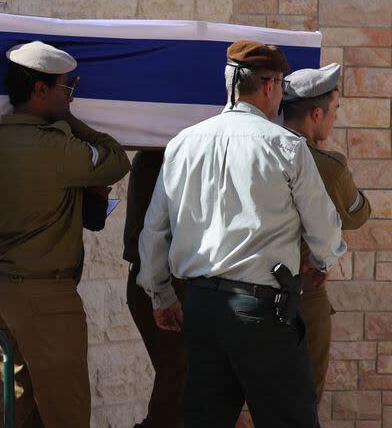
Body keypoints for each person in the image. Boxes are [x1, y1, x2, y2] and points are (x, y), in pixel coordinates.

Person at [138, 41, 347, 428]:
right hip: (261, 311)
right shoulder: (285, 146)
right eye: (281, 87)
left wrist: (160, 293)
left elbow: (155, 230)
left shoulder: (182, 144)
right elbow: (324, 229)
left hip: (201, 306)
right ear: (270, 87)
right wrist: (324, 260)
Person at [0, 40, 130, 428]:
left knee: (15, 411)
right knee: (66, 412)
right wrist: (70, 120)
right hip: (45, 299)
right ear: (40, 90)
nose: (70, 97)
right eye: (65, 89)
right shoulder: (57, 147)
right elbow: (115, 158)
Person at [281, 63, 371, 411]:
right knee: (303, 397)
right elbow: (359, 213)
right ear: (316, 114)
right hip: (302, 291)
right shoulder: (325, 163)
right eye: (334, 111)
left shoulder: (254, 149)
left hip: (240, 292)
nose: (334, 120)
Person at [122, 149, 187, 428]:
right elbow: (156, 233)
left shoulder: (155, 157)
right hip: (164, 281)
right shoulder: (166, 159)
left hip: (154, 279)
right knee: (178, 385)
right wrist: (162, 293)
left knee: (178, 384)